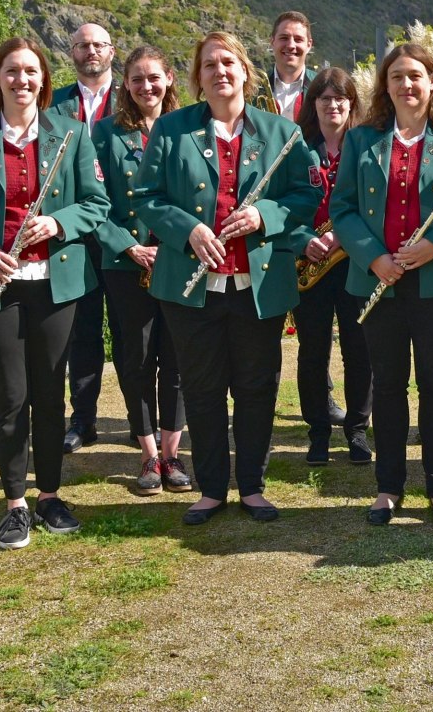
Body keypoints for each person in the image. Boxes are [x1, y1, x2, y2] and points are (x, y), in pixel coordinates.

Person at [133, 31, 320, 525]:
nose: (220, 71)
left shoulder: (282, 132)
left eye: (228, 62)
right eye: (209, 64)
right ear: (197, 78)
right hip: (190, 287)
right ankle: (213, 488)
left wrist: (265, 217)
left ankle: (253, 487)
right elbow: (146, 197)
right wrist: (188, 229)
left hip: (258, 286)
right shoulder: (171, 130)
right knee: (201, 387)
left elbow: (304, 196)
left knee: (257, 387)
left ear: (245, 71)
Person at [0, 37, 109, 550]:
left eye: (31, 72)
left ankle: (50, 495)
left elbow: (96, 204)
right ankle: (14, 503)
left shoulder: (72, 135)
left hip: (56, 284)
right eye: (12, 71)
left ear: (43, 79)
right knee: (10, 395)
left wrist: (57, 222)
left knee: (51, 391)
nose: (22, 81)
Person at [331, 44, 433, 527]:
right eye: (398, 76)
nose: (407, 85)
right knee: (387, 385)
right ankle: (388, 487)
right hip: (378, 279)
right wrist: (374, 257)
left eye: (417, 76)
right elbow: (343, 208)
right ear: (385, 85)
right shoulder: (363, 140)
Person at [93, 45, 192, 494]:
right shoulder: (104, 135)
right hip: (126, 265)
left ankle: (173, 456)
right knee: (136, 359)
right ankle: (149, 455)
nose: (146, 86)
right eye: (136, 78)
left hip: (181, 262)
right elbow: (94, 204)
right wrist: (129, 246)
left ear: (170, 78)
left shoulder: (189, 130)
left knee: (178, 358)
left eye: (154, 77)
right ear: (125, 84)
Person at [290, 65, 374, 468]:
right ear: (314, 104)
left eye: (341, 98)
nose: (333, 105)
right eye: (325, 98)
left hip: (354, 259)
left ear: (352, 103)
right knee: (313, 351)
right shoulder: (297, 147)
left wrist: (342, 236)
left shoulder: (366, 145)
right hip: (310, 260)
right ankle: (318, 432)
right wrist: (304, 240)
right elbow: (283, 203)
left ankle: (357, 430)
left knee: (360, 350)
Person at [55, 22, 117, 454]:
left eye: (97, 44)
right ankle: (83, 419)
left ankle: (145, 422)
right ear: (71, 52)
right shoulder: (53, 104)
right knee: (82, 330)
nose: (90, 51)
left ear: (112, 50)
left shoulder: (136, 96)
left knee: (139, 332)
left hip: (130, 234)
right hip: (73, 234)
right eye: (82, 46)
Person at [268, 12, 315, 122]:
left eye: (298, 39)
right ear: (272, 42)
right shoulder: (254, 87)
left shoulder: (322, 86)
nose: (290, 45)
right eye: (284, 38)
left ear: (309, 45)